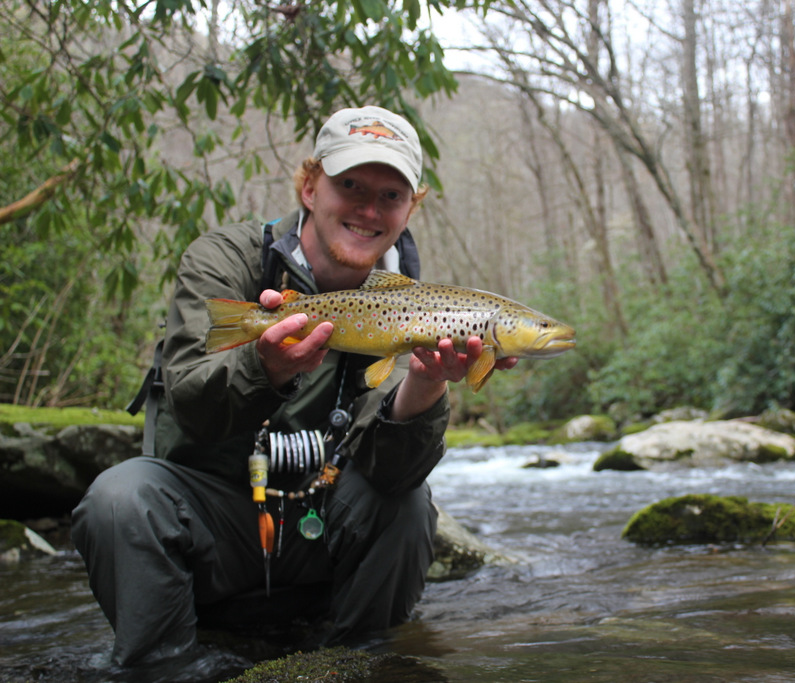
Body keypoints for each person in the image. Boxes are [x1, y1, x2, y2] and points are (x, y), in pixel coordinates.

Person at [71, 105, 517, 676]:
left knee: (408, 505)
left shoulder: (422, 307)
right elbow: (190, 403)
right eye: (349, 184)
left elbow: (391, 475)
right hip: (215, 527)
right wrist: (267, 368)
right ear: (309, 187)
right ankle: (162, 669)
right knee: (121, 496)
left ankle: (361, 664)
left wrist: (427, 382)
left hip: (320, 530)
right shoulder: (227, 260)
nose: (368, 208)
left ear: (411, 207)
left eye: (390, 195)